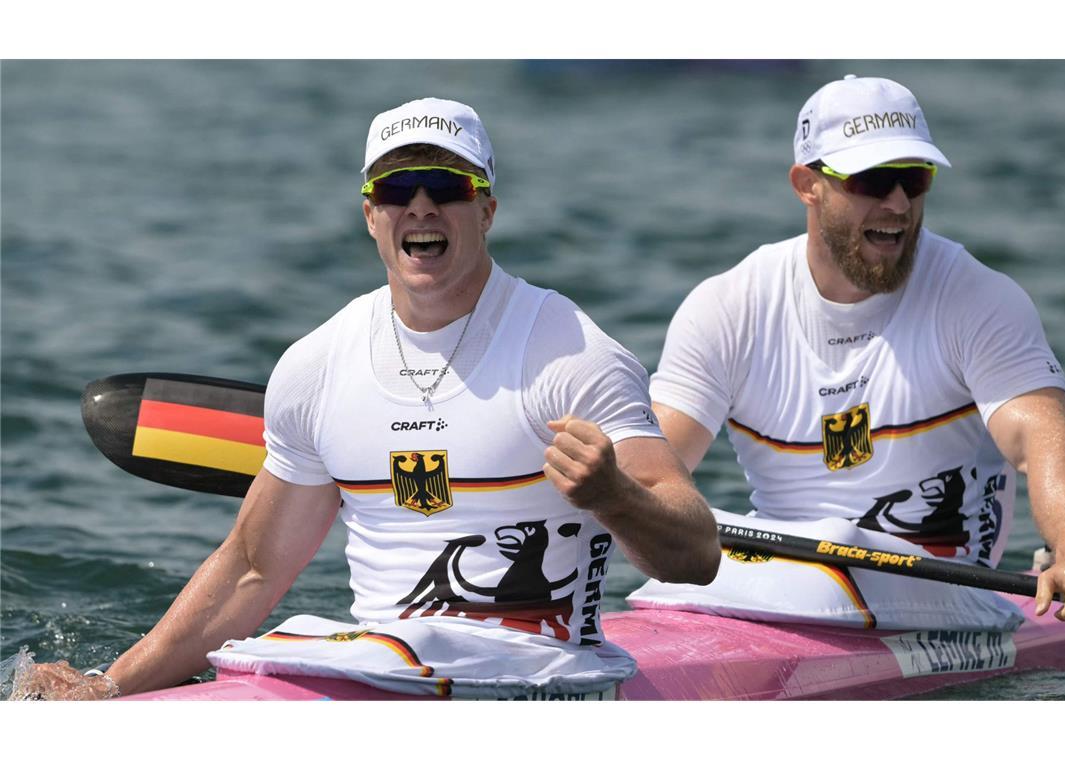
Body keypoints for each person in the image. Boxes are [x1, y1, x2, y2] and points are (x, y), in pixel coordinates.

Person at [21, 97, 720, 700]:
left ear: (486, 208)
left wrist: (613, 496)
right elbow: (252, 570)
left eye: (444, 184)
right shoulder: (317, 366)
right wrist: (111, 687)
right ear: (370, 214)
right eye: (397, 187)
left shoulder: (571, 355)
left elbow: (696, 555)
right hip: (374, 669)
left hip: (541, 672)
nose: (419, 204)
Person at [646, 75, 1065, 626]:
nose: (898, 203)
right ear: (807, 184)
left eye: (914, 179)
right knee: (673, 567)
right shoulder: (728, 306)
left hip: (944, 590)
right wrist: (603, 483)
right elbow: (658, 468)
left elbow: (1045, 442)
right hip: (773, 577)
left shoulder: (977, 299)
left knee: (830, 548)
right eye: (874, 180)